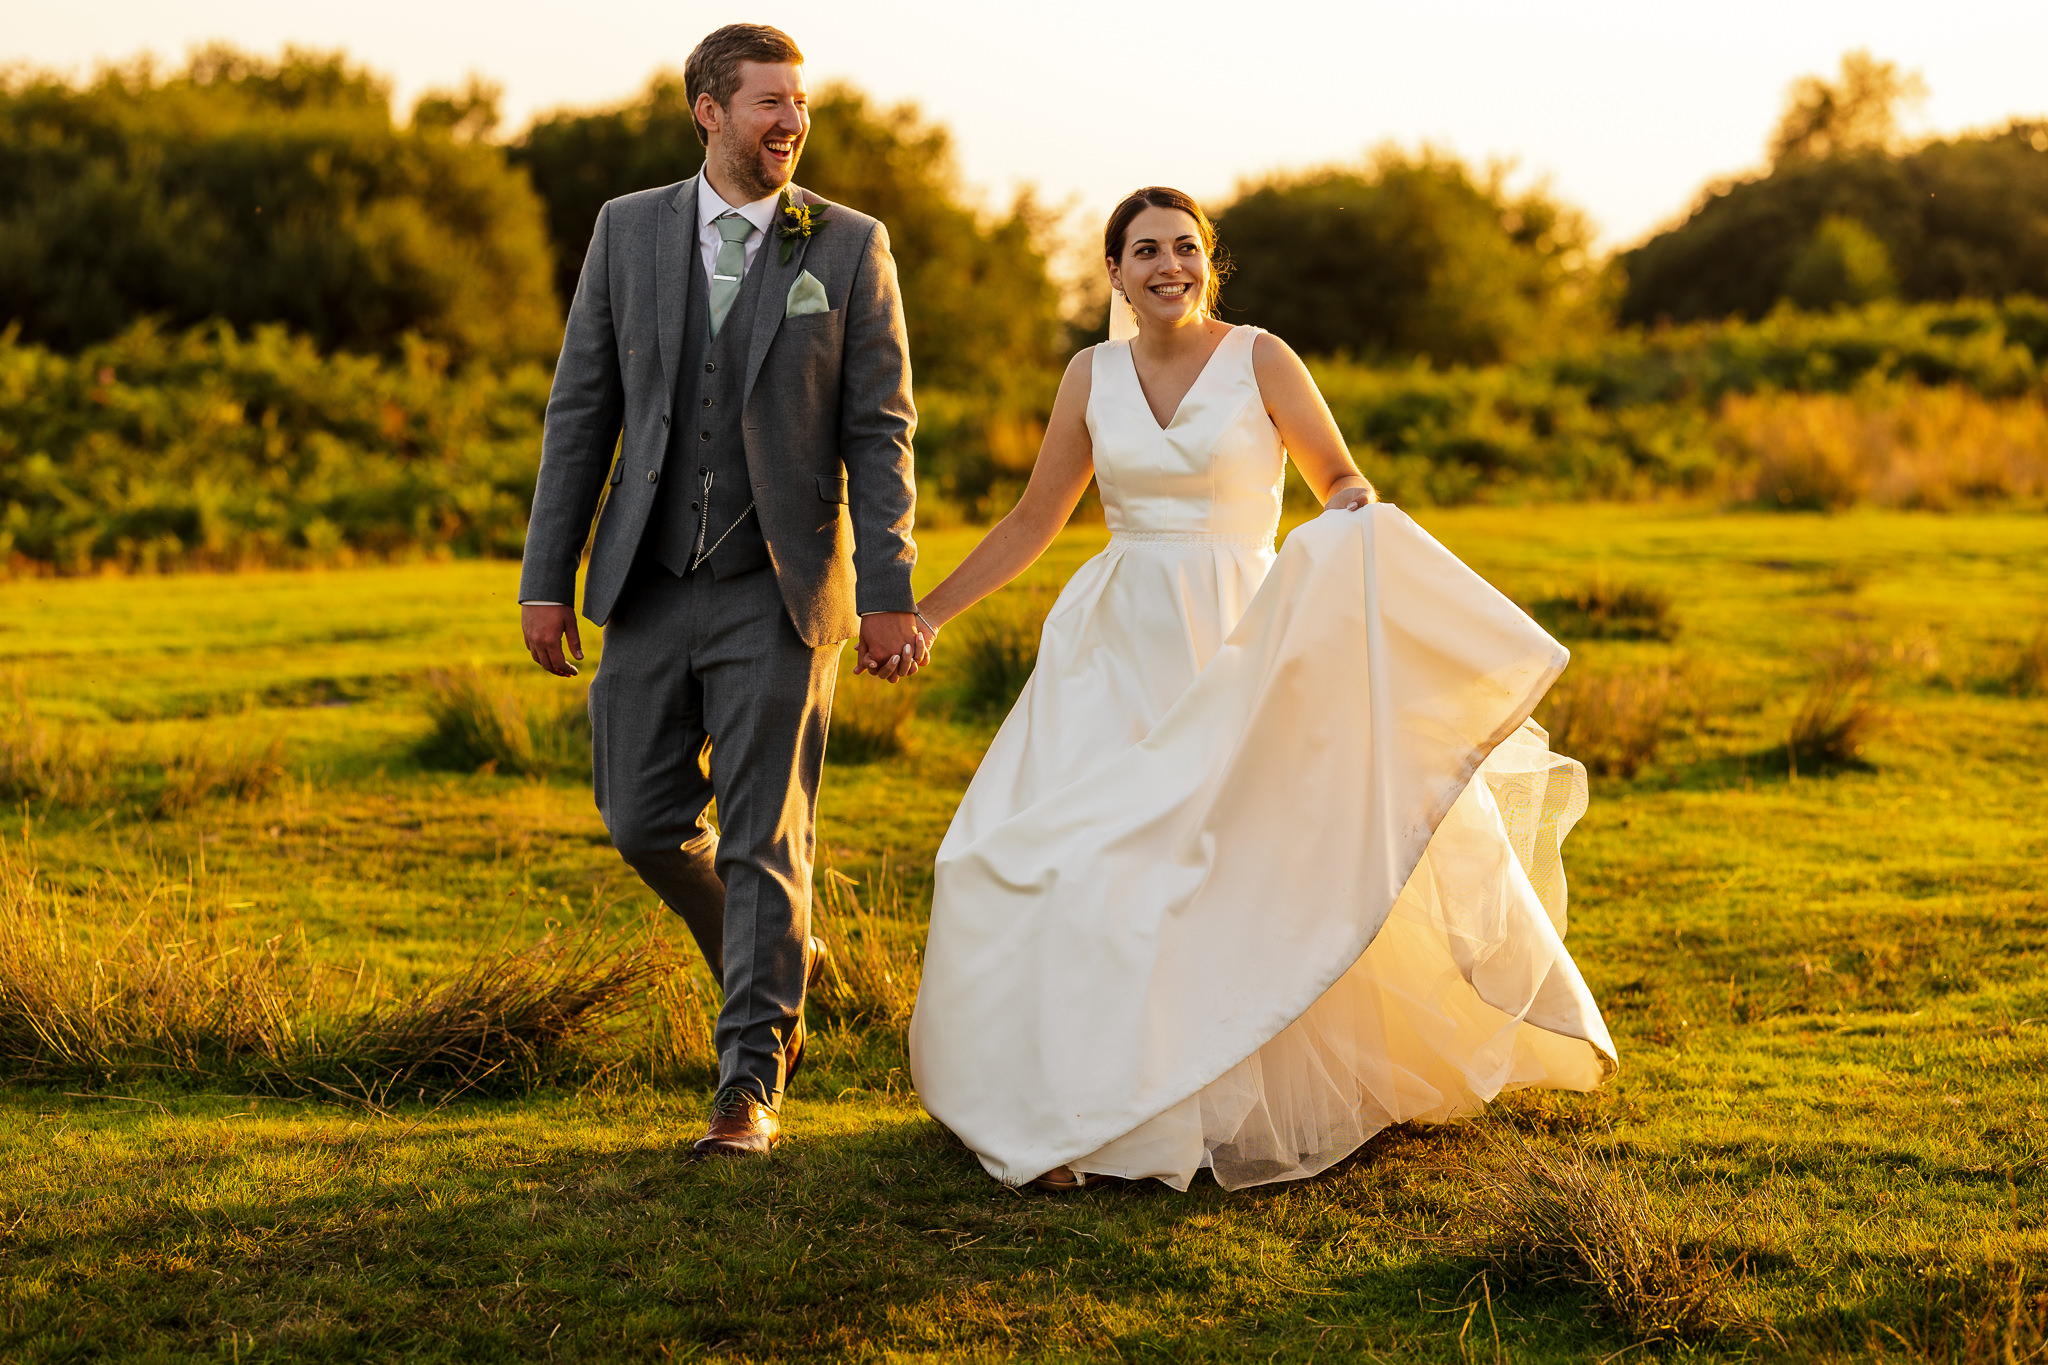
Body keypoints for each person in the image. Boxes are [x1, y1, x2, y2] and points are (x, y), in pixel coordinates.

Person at [907, 188, 1616, 1191]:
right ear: (1112, 272)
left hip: (1245, 631)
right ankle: (1071, 1105)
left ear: (1210, 263)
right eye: (1144, 250)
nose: (1168, 266)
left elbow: (1338, 482)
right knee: (1037, 858)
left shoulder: (1260, 358)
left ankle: (1204, 1099)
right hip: (1113, 647)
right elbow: (1033, 521)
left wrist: (1352, 531)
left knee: (1235, 864)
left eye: (1186, 249)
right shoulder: (1089, 374)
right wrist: (927, 612)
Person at [519, 24, 930, 1158]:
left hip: (781, 590)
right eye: (766, 103)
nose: (789, 122)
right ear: (707, 110)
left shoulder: (847, 245)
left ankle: (747, 1082)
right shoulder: (626, 230)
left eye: (799, 103)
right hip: (645, 581)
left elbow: (880, 430)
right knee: (643, 823)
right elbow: (579, 415)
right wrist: (545, 579)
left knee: (763, 842)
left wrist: (890, 588)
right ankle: (783, 952)